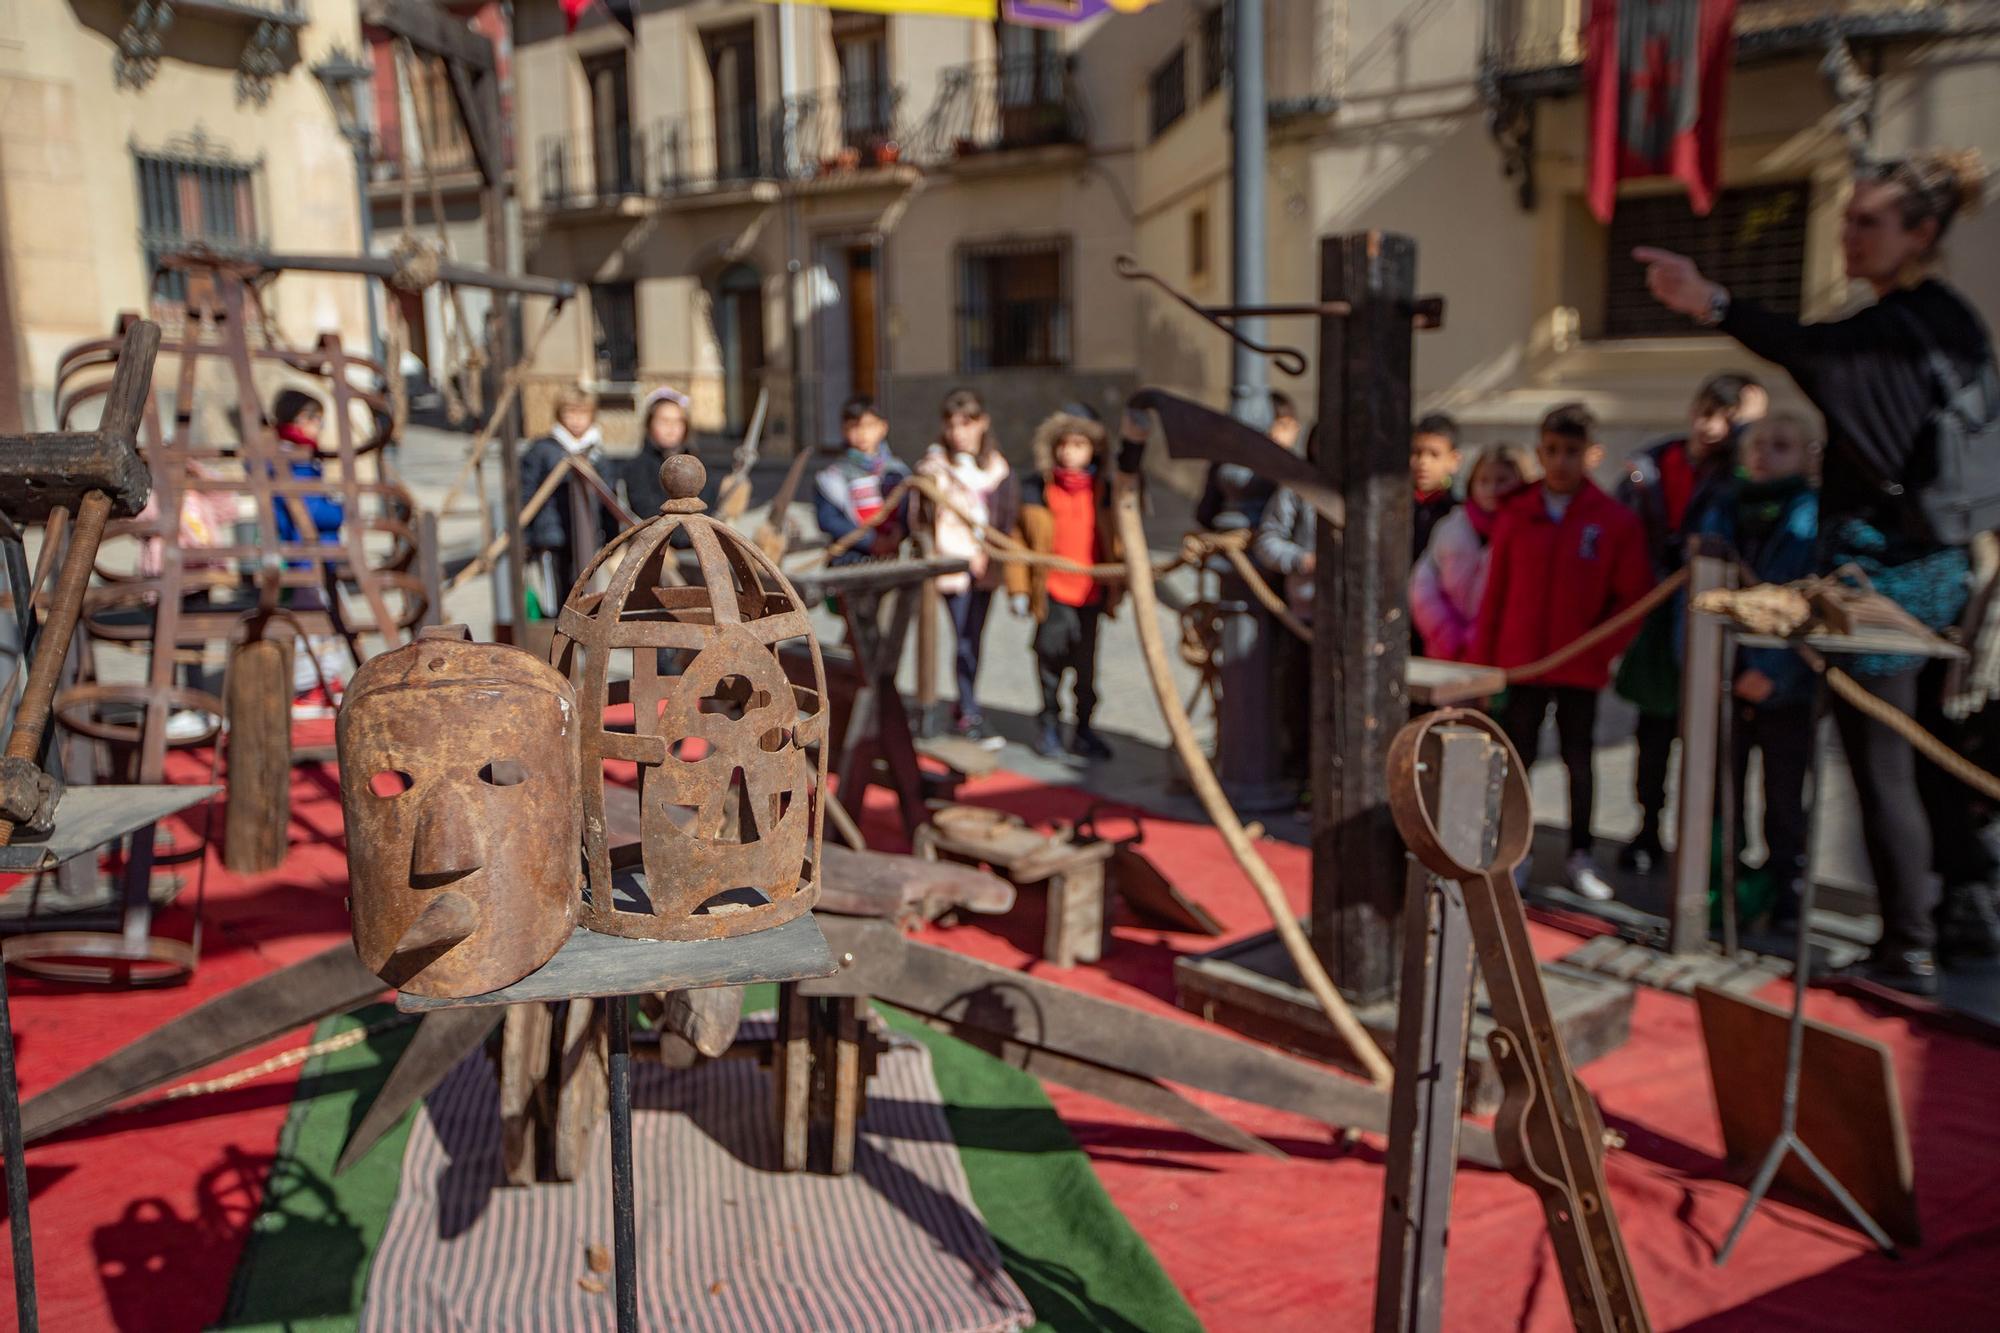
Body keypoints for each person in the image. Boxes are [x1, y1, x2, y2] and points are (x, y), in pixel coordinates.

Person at [1636, 149, 1998, 992]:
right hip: (1937, 569)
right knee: (1929, 756)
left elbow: (1816, 353)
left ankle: (1906, 944)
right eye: (1848, 218)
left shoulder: (1907, 327)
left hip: (1891, 581)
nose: (1850, 235)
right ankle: (1962, 914)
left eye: (1869, 221)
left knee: (1885, 766)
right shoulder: (1947, 323)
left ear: (1922, 232)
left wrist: (1713, 301)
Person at [1473, 403, 1652, 900]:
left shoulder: (1612, 521)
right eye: (1552, 451)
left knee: (1578, 759)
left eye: (1572, 452)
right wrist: (1487, 669)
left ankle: (1580, 852)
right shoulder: (1517, 513)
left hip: (1579, 668)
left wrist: (1601, 651)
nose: (1561, 462)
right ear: (1539, 451)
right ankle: (1516, 850)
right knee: (1518, 757)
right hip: (1522, 664)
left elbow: (1631, 597)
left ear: (1591, 454)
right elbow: (1495, 594)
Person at [1613, 372, 1761, 872]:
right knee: (1652, 734)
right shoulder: (1651, 467)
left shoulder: (1740, 475)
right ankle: (1647, 827)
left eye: (1728, 417)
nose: (1711, 426)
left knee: (1715, 742)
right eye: (1706, 410)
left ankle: (1712, 846)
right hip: (1654, 614)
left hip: (1710, 621)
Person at [1692, 414, 1821, 928]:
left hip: (1784, 684)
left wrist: (1772, 669)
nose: (1767, 454)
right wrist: (1709, 668)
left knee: (1784, 795)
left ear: (1806, 457)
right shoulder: (1720, 507)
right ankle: (1723, 887)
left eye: (1782, 446)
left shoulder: (1808, 516)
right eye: (1760, 445)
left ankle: (1786, 890)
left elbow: (1810, 602)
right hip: (1723, 673)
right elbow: (1698, 594)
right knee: (1721, 786)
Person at [1008, 403, 1120, 761]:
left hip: (1091, 592)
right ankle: (1049, 726)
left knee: (1085, 668)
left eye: (1079, 444)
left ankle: (1084, 729)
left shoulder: (1105, 491)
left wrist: (1122, 584)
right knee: (1050, 661)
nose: (1070, 452)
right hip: (1053, 591)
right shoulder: (1037, 489)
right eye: (1065, 444)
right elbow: (1017, 541)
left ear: (1093, 449)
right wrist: (1019, 590)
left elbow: (1117, 540)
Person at [916, 388, 1018, 748]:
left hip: (986, 565)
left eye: (968, 423)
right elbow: (930, 522)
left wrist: (991, 555)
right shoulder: (934, 468)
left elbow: (1004, 518)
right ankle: (969, 713)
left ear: (982, 423)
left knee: (975, 639)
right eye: (953, 424)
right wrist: (964, 555)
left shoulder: (996, 467)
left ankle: (965, 704)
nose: (960, 431)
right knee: (962, 639)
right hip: (954, 564)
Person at [1409, 444, 1534, 662]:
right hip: (1448, 652)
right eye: (1484, 480)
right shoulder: (1450, 526)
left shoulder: (1530, 533)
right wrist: (1446, 633)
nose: (1492, 489)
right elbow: (1424, 584)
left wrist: (1481, 637)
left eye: (1502, 480)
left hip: (1504, 656)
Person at [270, 388, 351, 717]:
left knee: (324, 619)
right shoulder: (295, 460)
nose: (319, 426)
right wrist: (340, 510)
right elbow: (312, 509)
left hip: (309, 552)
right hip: (309, 553)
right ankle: (311, 685)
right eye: (314, 419)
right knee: (317, 621)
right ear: (297, 420)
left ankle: (324, 680)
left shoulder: (290, 457)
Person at [520, 385, 608, 605]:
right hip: (552, 536)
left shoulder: (597, 453)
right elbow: (527, 491)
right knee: (557, 597)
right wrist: (527, 536)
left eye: (583, 413)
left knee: (588, 593)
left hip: (589, 535)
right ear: (560, 414)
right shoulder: (543, 450)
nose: (576, 420)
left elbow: (608, 494)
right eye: (570, 413)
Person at [814, 395, 911, 566]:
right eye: (854, 427)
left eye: (869, 426)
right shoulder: (831, 478)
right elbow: (829, 520)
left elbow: (908, 511)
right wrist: (870, 541)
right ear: (843, 431)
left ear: (883, 427)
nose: (862, 433)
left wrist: (899, 532)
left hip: (896, 553)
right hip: (852, 556)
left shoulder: (898, 472)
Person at [1196, 391, 1298, 532]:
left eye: (1283, 426)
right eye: (1273, 425)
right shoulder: (1227, 465)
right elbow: (1206, 511)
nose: (1275, 433)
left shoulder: (1295, 470)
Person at [619, 385, 704, 516]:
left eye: (678, 421)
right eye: (664, 421)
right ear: (649, 424)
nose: (671, 428)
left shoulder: (696, 464)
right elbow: (646, 512)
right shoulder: (636, 468)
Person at [1411, 412, 1462, 564]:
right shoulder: (1395, 509)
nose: (1423, 462)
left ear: (1454, 460)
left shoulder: (1457, 513)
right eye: (1417, 453)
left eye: (1434, 454)